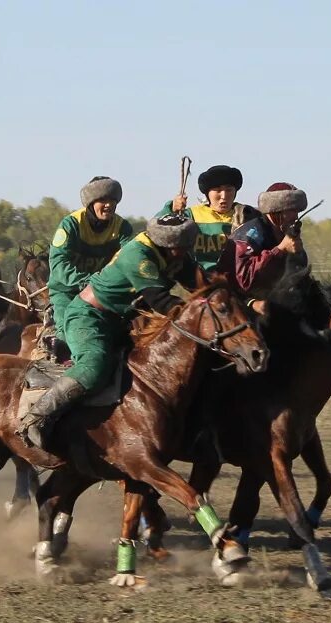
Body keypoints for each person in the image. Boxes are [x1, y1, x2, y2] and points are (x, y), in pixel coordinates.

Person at [18, 215, 201, 450]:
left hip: (120, 321)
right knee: (94, 366)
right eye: (182, 247)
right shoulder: (138, 255)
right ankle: (37, 417)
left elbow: (200, 283)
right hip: (89, 317)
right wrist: (199, 316)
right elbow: (161, 300)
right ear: (168, 244)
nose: (186, 252)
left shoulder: (175, 256)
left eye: (187, 246)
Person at [47, 176, 134, 342]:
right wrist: (86, 282)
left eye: (113, 200)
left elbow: (130, 261)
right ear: (91, 203)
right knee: (69, 335)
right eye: (102, 199)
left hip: (101, 291)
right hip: (67, 290)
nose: (109, 204)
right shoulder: (70, 224)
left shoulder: (123, 227)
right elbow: (58, 264)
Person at [216, 182, 308, 313]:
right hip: (237, 305)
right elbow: (243, 279)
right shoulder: (249, 234)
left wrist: (297, 255)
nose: (296, 217)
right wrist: (280, 250)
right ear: (276, 209)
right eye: (291, 211)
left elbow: (298, 275)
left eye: (297, 211)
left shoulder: (284, 234)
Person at [157, 164, 260, 272]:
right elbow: (156, 229)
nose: (224, 196)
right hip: (199, 281)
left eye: (229, 190)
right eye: (217, 190)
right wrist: (171, 209)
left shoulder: (247, 215)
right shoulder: (191, 215)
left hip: (237, 279)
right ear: (207, 194)